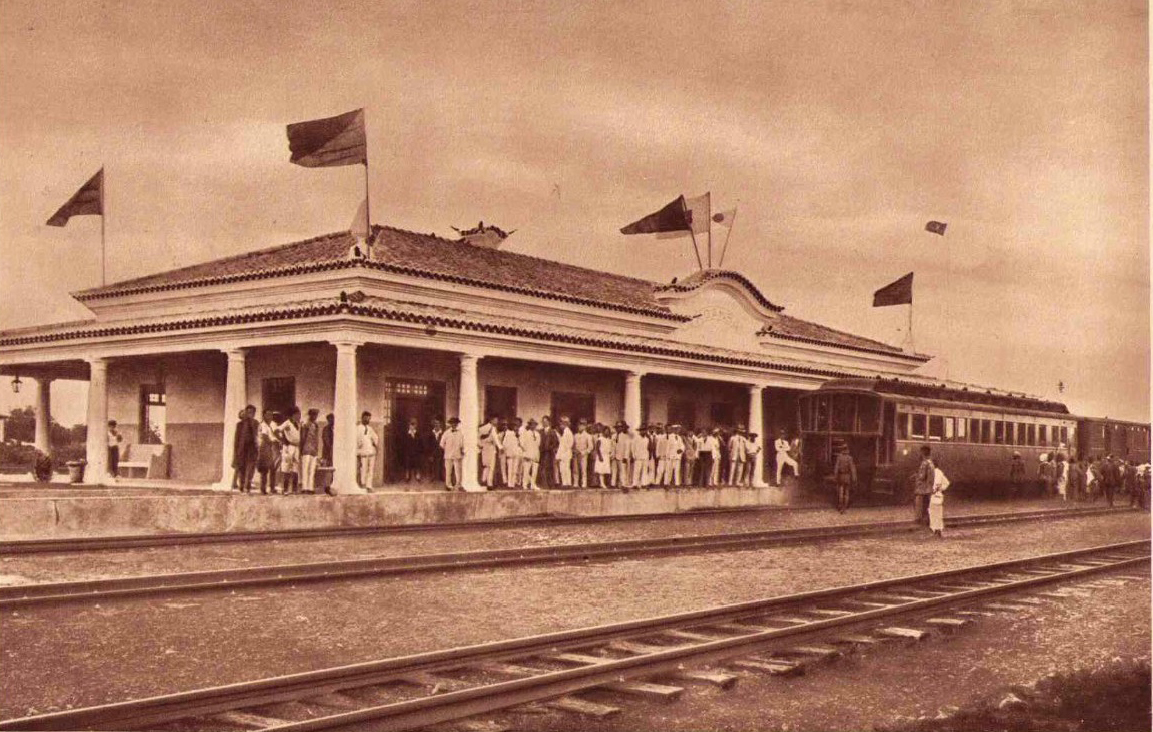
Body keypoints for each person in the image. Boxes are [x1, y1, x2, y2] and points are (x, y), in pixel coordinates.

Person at [233, 405, 259, 493]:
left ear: (254, 413)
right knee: (242, 467)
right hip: (242, 448)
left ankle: (248, 485)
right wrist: (236, 450)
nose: (250, 414)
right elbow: (237, 438)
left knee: (251, 468)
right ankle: (241, 485)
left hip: (252, 448)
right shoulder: (240, 424)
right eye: (248, 412)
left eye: (252, 412)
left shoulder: (256, 423)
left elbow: (258, 435)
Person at [278, 407, 302, 494]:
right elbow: (277, 431)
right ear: (293, 415)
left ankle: (294, 489)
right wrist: (283, 440)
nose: (299, 416)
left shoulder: (298, 424)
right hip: (288, 447)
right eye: (297, 414)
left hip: (296, 447)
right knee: (286, 467)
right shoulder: (287, 423)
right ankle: (285, 489)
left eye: (299, 414)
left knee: (296, 468)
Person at [257, 409, 280, 495]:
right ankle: (263, 488)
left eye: (271, 415)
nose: (270, 417)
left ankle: (272, 487)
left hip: (270, 448)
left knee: (272, 468)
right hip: (265, 447)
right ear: (264, 416)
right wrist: (273, 441)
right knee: (264, 469)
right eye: (268, 415)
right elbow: (265, 437)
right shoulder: (263, 425)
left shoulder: (270, 425)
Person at [440, 417, 465, 490]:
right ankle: (448, 485)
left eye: (455, 423)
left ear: (457, 424)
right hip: (448, 455)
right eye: (452, 423)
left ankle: (458, 485)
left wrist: (462, 450)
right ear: (450, 424)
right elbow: (441, 444)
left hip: (457, 455)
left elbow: (462, 443)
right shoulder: (446, 433)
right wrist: (447, 449)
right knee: (448, 471)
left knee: (458, 471)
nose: (454, 424)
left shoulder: (460, 433)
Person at [356, 411, 378, 492]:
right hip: (362, 452)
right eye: (366, 418)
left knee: (370, 469)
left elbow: (375, 438)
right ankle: (363, 484)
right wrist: (359, 448)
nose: (367, 420)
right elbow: (357, 440)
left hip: (371, 451)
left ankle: (369, 486)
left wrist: (374, 443)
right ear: (362, 418)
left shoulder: (370, 428)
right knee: (363, 469)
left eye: (369, 418)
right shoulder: (358, 428)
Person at [912, 445, 935, 525]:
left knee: (919, 503)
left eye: (921, 452)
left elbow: (922, 476)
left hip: (922, 488)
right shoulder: (931, 463)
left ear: (923, 453)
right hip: (929, 487)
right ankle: (927, 519)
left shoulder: (924, 463)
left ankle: (919, 519)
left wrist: (916, 476)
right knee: (927, 504)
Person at [832, 441, 856, 513]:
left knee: (841, 491)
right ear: (847, 449)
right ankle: (845, 507)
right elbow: (852, 468)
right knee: (847, 492)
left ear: (842, 449)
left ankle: (840, 506)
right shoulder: (850, 458)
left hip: (841, 476)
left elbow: (836, 468)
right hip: (847, 476)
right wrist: (854, 478)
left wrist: (835, 476)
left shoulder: (839, 458)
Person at [929, 461, 950, 537]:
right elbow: (947, 483)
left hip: (934, 495)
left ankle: (936, 530)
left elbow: (935, 484)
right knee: (938, 513)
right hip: (939, 495)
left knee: (933, 513)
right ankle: (938, 530)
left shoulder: (934, 473)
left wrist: (937, 489)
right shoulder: (940, 472)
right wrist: (941, 489)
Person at [400, 418, 424, 483]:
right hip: (408, 453)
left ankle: (418, 476)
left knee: (417, 465)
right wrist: (404, 452)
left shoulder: (418, 434)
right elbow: (403, 444)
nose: (412, 426)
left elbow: (421, 444)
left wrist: (420, 451)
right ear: (409, 425)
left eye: (414, 424)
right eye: (411, 424)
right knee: (407, 465)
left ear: (416, 425)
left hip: (416, 452)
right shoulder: (406, 434)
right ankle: (407, 477)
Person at [520, 418, 541, 489]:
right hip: (528, 454)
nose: (533, 426)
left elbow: (538, 444)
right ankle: (525, 484)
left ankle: (533, 484)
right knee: (526, 470)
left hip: (535, 454)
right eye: (531, 424)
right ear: (529, 425)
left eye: (534, 425)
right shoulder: (525, 434)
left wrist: (536, 454)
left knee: (534, 471)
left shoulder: (537, 434)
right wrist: (526, 453)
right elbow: (522, 444)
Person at [478, 416, 499, 488]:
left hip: (484, 448)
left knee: (486, 465)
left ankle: (483, 480)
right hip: (490, 448)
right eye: (496, 420)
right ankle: (489, 483)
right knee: (491, 466)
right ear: (491, 420)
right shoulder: (492, 428)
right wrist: (500, 447)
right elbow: (496, 439)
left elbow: (478, 438)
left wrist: (480, 445)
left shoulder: (482, 428)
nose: (497, 421)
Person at [574, 419, 594, 488]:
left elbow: (590, 447)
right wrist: (575, 451)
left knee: (583, 469)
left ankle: (584, 483)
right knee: (575, 469)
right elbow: (573, 445)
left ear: (585, 426)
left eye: (582, 425)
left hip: (583, 455)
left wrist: (583, 452)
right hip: (576, 454)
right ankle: (576, 483)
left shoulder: (588, 436)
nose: (580, 426)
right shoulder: (575, 435)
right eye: (579, 425)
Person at [538, 416, 557, 488]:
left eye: (545, 422)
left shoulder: (552, 432)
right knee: (542, 467)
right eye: (543, 422)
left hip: (549, 453)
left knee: (549, 468)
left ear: (549, 422)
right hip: (542, 453)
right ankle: (544, 484)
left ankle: (550, 484)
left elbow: (555, 443)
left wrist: (549, 448)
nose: (544, 423)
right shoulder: (540, 432)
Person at [556, 416, 574, 487]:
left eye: (561, 424)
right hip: (565, 453)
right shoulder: (565, 432)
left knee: (565, 469)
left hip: (565, 454)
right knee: (564, 469)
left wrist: (560, 455)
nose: (560, 426)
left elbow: (567, 445)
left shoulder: (567, 432)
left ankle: (566, 483)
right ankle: (566, 483)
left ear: (565, 424)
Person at [612, 422, 631, 488]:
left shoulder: (626, 437)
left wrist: (625, 457)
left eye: (620, 427)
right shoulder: (613, 436)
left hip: (622, 456)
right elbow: (612, 446)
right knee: (614, 470)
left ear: (622, 428)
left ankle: (623, 484)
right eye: (617, 427)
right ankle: (613, 484)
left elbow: (627, 448)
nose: (618, 429)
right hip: (614, 455)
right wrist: (612, 454)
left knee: (622, 470)